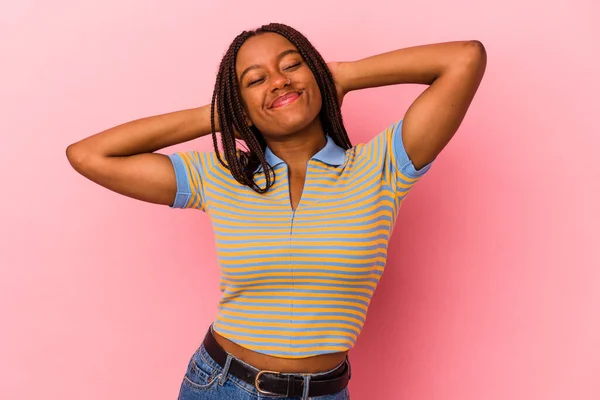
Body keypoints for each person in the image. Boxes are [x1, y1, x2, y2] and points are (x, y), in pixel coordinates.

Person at [66, 22, 486, 400]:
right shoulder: (219, 175)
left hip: (324, 393)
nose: (279, 82)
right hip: (220, 385)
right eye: (255, 80)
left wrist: (344, 75)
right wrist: (215, 116)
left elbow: (465, 57)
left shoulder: (382, 166)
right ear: (240, 105)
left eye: (293, 65)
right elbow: (89, 155)